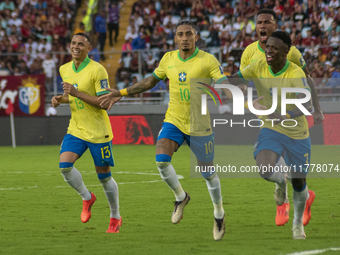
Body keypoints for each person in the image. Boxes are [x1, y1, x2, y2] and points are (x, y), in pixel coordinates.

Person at [99, 21, 234, 241]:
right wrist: (121, 92)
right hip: (174, 120)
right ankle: (181, 197)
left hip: (200, 125)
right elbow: (151, 81)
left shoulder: (208, 60)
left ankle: (219, 213)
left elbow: (223, 82)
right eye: (180, 34)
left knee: (208, 174)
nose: (185, 38)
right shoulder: (168, 59)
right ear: (175, 38)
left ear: (196, 37)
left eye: (189, 34)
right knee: (161, 160)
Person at [239, 9, 323, 226]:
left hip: (291, 117)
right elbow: (239, 82)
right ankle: (283, 199)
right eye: (259, 22)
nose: (263, 26)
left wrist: (318, 108)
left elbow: (307, 80)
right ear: (255, 27)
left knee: (292, 171)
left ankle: (295, 198)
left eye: (268, 22)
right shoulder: (249, 53)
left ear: (275, 26)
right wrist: (248, 103)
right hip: (267, 115)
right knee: (269, 164)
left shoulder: (291, 53)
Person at [51, 33, 122, 233]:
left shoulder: (97, 70)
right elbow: (70, 97)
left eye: (81, 44)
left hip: (98, 133)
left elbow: (103, 103)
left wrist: (76, 93)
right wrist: (60, 99)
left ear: (89, 48)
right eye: (73, 43)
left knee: (104, 178)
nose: (76, 47)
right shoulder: (64, 68)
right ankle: (87, 197)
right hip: (76, 129)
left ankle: (115, 217)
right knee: (65, 166)